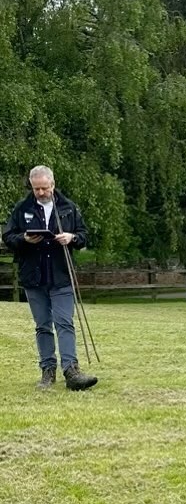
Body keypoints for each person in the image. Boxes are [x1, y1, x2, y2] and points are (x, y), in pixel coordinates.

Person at [2, 166, 98, 392]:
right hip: (33, 277)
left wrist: (72, 237)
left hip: (61, 274)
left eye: (45, 188)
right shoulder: (22, 208)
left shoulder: (68, 207)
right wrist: (24, 239)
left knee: (65, 322)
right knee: (43, 326)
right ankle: (47, 371)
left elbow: (84, 236)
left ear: (53, 185)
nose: (41, 192)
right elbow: (8, 236)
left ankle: (71, 370)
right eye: (36, 188)